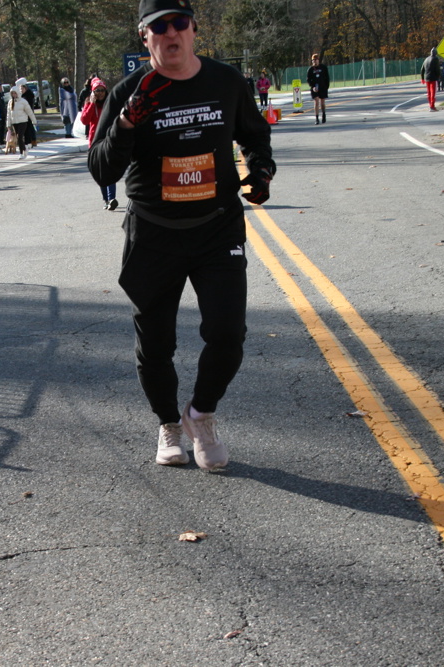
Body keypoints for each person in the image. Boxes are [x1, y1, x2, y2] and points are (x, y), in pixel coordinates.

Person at [88, 0, 274, 470]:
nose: (171, 33)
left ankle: (201, 415)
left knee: (228, 335)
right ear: (144, 36)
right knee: (156, 345)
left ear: (193, 29)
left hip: (217, 228)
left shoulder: (226, 81)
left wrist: (261, 169)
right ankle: (169, 424)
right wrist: (127, 123)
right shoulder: (129, 92)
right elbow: (101, 168)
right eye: (160, 26)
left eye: (180, 23)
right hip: (154, 234)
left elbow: (255, 136)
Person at [80, 77, 116, 209]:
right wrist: (91, 104)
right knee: (101, 172)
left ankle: (112, 198)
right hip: (95, 142)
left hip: (109, 140)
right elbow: (84, 120)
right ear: (92, 92)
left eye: (102, 90)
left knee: (110, 170)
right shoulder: (89, 103)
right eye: (97, 90)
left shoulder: (110, 102)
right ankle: (106, 199)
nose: (100, 93)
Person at [5, 86, 36, 160]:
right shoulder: (10, 102)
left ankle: (22, 152)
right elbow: (9, 114)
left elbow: (29, 112)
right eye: (12, 93)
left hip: (23, 121)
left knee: (20, 137)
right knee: (18, 137)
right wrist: (8, 124)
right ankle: (24, 149)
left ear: (18, 93)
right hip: (15, 122)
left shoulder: (23, 101)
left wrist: (34, 120)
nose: (14, 95)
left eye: (15, 93)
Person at [307, 53, 329, 124]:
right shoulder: (310, 70)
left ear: (318, 60)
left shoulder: (323, 67)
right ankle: (316, 118)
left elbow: (327, 78)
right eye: (313, 60)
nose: (315, 61)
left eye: (316, 60)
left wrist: (326, 87)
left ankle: (323, 114)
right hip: (315, 88)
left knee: (322, 102)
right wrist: (312, 86)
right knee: (316, 102)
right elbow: (308, 80)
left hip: (322, 87)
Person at [420, 47, 442, 111]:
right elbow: (437, 69)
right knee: (433, 92)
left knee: (429, 93)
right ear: (436, 53)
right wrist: (438, 76)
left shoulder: (426, 59)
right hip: (433, 78)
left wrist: (422, 78)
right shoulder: (435, 59)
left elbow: (422, 69)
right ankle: (432, 106)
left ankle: (430, 105)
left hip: (427, 78)